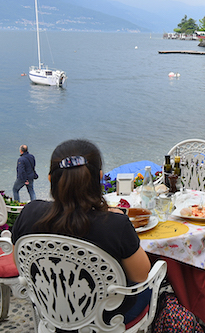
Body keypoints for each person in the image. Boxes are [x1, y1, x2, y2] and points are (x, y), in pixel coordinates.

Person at [12, 139, 152, 325]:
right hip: (108, 318)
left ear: (50, 179)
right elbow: (141, 276)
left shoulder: (29, 214)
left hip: (52, 311)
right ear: (100, 177)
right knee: (152, 287)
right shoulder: (115, 225)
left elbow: (19, 263)